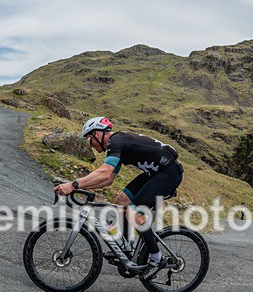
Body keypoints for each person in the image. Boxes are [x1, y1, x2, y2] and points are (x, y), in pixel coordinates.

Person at [54, 116, 183, 280]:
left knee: (133, 213)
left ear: (98, 134)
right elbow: (108, 180)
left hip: (169, 173)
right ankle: (127, 246)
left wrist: (73, 185)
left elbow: (105, 172)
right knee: (122, 200)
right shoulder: (118, 146)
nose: (90, 144)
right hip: (156, 173)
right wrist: (78, 186)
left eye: (89, 139)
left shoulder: (116, 142)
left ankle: (157, 258)